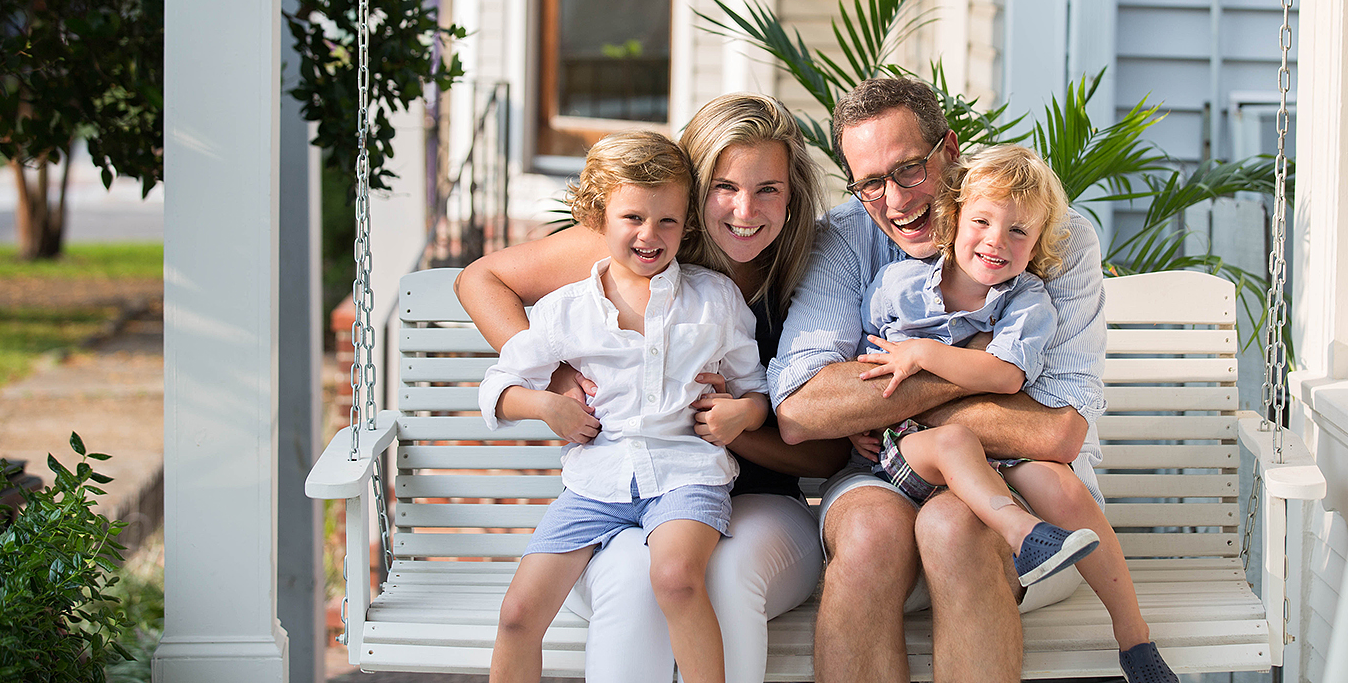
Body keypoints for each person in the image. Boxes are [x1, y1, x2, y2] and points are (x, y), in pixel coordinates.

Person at [456, 94, 848, 683]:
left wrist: (721, 424)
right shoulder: (638, 247)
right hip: (619, 488)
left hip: (750, 496)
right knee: (627, 579)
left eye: (768, 188)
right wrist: (557, 377)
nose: (746, 209)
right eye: (724, 186)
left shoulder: (805, 275)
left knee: (713, 574)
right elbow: (480, 279)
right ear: (694, 192)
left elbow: (824, 449)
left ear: (792, 194)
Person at [766, 77, 1109, 683]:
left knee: (956, 525)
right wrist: (979, 362)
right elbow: (800, 409)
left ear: (949, 148)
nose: (894, 201)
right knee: (870, 533)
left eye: (908, 170)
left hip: (1030, 492)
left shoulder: (1047, 232)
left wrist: (885, 402)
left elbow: (1057, 434)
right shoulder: (847, 238)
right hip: (884, 477)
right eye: (870, 182)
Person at [854, 144, 1179, 683]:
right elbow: (866, 359)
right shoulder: (899, 286)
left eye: (1019, 232)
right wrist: (859, 428)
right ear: (952, 218)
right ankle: (1025, 535)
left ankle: (1134, 637)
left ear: (1040, 245)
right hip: (912, 442)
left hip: (1002, 449)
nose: (995, 242)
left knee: (1067, 490)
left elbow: (1008, 376)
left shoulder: (1029, 302)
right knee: (955, 440)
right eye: (981, 221)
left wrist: (925, 355)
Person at [478, 131, 769, 683]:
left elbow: (755, 389)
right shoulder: (566, 311)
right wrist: (545, 406)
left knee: (676, 579)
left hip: (687, 474)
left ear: (687, 223)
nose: (649, 235)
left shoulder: (714, 299)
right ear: (597, 216)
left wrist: (745, 414)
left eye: (667, 221)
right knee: (517, 615)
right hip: (595, 483)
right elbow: (500, 388)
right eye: (632, 217)